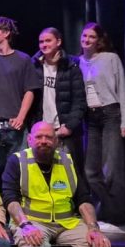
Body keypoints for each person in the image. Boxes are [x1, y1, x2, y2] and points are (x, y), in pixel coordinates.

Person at [78, 22, 125, 227]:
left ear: (98, 40)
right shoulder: (78, 62)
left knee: (112, 171)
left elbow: (122, 90)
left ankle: (116, 216)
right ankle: (108, 211)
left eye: (92, 37)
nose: (87, 40)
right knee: (90, 172)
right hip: (90, 118)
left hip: (111, 113)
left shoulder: (110, 58)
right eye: (84, 36)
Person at [0, 16, 41, 178]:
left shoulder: (23, 59)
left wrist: (21, 116)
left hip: (15, 125)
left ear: (6, 33)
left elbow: (30, 90)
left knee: (18, 171)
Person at [31, 27, 86, 177]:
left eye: (48, 41)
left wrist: (69, 126)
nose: (44, 45)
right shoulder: (34, 65)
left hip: (64, 131)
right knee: (41, 174)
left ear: (58, 42)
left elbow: (80, 100)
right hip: (42, 131)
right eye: (41, 42)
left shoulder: (71, 66)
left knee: (69, 174)